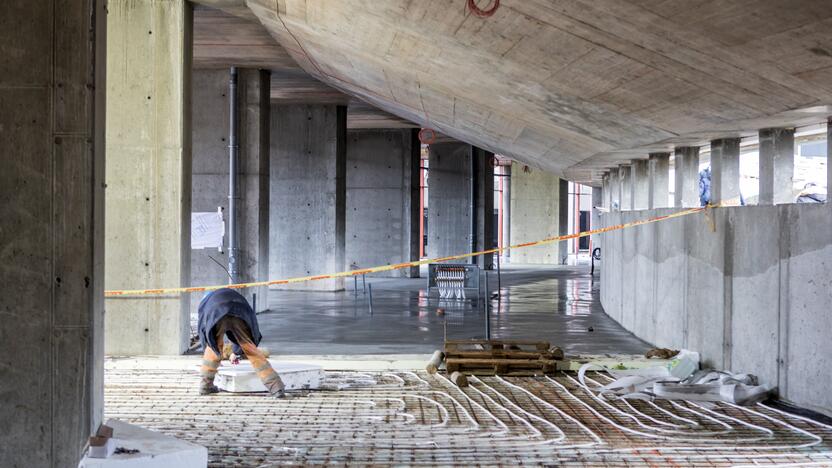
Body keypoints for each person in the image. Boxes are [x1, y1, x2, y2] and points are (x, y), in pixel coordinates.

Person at [197, 288, 288, 397]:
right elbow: (243, 328)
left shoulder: (205, 304)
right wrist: (237, 352)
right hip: (240, 311)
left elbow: (203, 332)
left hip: (217, 313)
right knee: (250, 349)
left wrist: (214, 351)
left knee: (212, 347)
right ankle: (276, 388)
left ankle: (205, 386)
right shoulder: (224, 294)